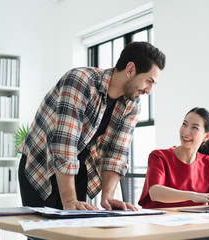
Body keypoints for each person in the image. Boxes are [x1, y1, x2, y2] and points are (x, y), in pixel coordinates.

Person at [18, 42, 166, 212]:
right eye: (149, 81)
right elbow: (65, 144)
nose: (149, 90)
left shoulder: (132, 104)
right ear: (130, 69)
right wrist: (70, 200)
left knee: (74, 231)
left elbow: (117, 153)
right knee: (42, 234)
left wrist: (108, 197)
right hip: (41, 165)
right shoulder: (80, 80)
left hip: (78, 167)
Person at [138, 107, 209, 209]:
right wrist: (192, 196)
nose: (186, 132)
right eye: (184, 124)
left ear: (206, 136)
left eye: (194, 127)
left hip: (196, 223)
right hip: (159, 221)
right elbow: (155, 192)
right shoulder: (159, 157)